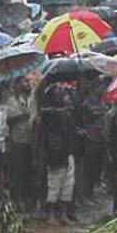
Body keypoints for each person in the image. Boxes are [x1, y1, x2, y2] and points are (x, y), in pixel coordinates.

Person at [36, 83, 80, 223]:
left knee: (68, 184)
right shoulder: (50, 114)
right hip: (55, 153)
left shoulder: (68, 113)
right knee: (54, 183)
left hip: (68, 151)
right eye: (63, 94)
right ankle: (50, 214)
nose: (67, 97)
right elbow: (46, 114)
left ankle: (63, 213)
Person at [3, 77, 36, 209]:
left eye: (27, 82)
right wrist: (20, 116)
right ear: (16, 85)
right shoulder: (11, 100)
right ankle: (17, 199)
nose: (26, 85)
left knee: (29, 170)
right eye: (23, 82)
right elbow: (7, 119)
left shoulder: (32, 99)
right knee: (17, 171)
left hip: (31, 139)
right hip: (17, 139)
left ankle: (27, 199)